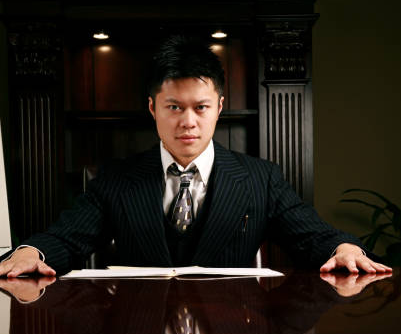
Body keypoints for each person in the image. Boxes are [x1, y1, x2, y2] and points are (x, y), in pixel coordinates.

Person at [0, 35, 392, 278]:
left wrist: (344, 248)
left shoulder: (261, 178)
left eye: (200, 107)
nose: (188, 122)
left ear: (219, 107)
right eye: (174, 107)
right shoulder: (116, 179)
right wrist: (31, 252)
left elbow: (312, 236)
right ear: (152, 107)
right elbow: (67, 237)